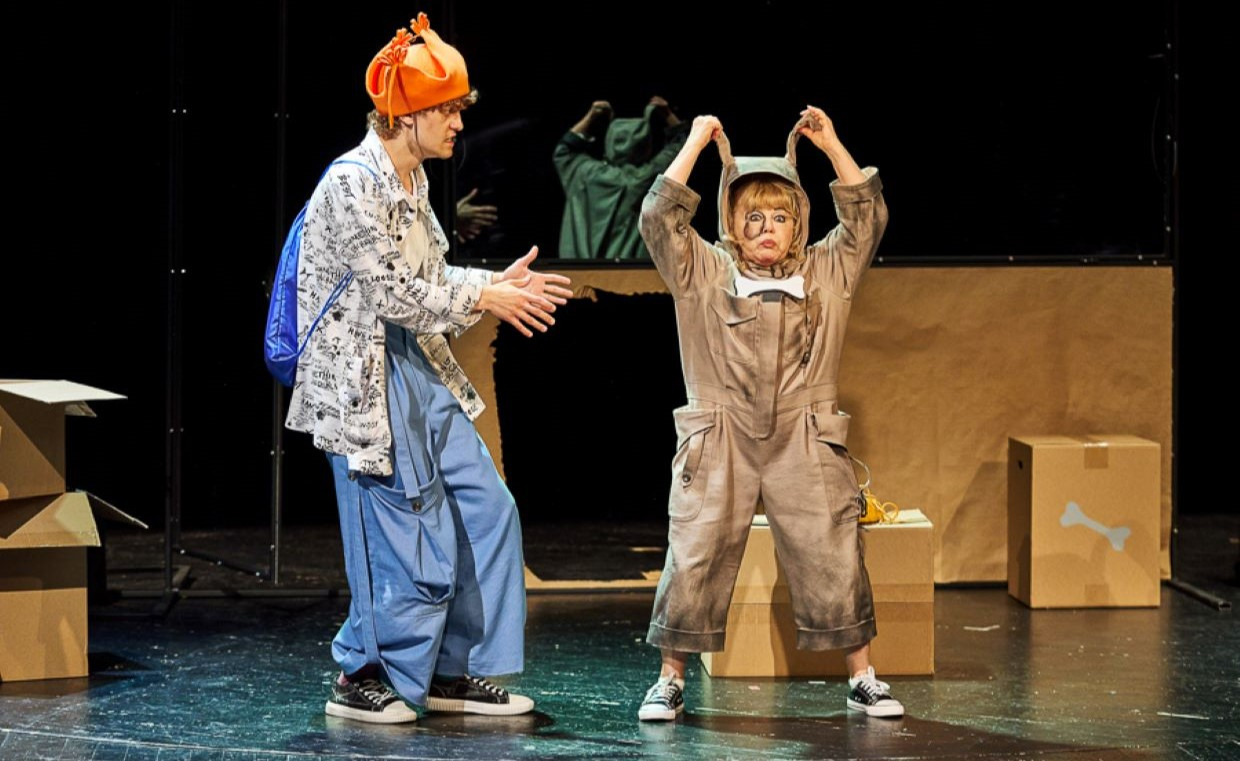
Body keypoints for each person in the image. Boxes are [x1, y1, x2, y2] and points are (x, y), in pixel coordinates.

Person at [285, 12, 573, 725]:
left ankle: (451, 669)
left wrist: (492, 284)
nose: (458, 123)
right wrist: (485, 296)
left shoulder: (410, 181)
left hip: (415, 362)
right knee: (404, 530)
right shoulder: (351, 184)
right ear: (405, 114)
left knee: (487, 509)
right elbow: (390, 293)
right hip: (364, 374)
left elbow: (430, 278)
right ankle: (361, 672)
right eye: (447, 109)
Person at [635, 105, 902, 721]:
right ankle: (670, 680)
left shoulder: (826, 271)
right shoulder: (703, 270)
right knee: (695, 551)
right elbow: (658, 218)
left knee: (834, 548)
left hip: (805, 434)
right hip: (719, 434)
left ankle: (863, 677)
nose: (766, 229)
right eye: (752, 217)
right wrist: (696, 144)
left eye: (780, 217)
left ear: (798, 221)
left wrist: (832, 146)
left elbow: (867, 218)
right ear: (731, 220)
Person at [553, 96, 689, 259]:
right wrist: (667, 114)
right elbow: (683, 147)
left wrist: (591, 116)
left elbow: (564, 150)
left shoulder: (585, 173)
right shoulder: (648, 178)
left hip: (581, 271)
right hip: (629, 272)